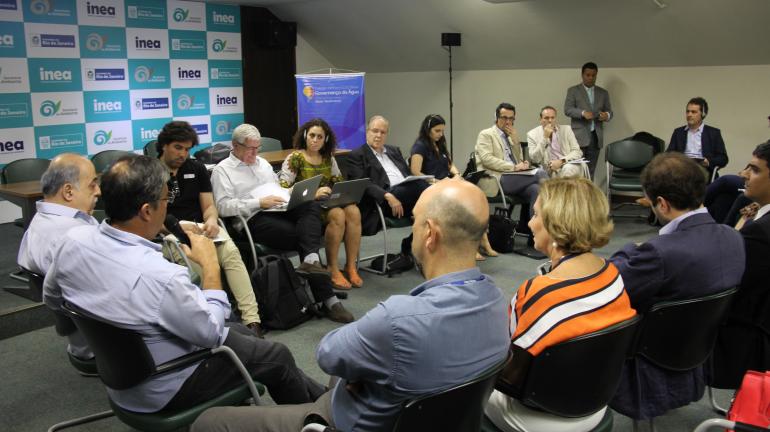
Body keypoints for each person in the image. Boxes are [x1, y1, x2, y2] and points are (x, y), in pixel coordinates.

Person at [192, 178, 510, 432]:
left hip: (351, 421)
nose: (412, 229)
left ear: (429, 234)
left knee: (210, 422)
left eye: (414, 221)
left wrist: (375, 351)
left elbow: (328, 354)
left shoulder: (396, 320)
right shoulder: (500, 303)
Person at [43, 155, 326, 413]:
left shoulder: (72, 242)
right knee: (276, 355)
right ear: (146, 211)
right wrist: (210, 267)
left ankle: (323, 398)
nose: (168, 208)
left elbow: (54, 299)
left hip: (119, 379)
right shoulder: (160, 275)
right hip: (165, 386)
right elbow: (211, 333)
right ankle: (317, 417)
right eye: (166, 201)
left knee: (243, 333)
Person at [484, 177, 636, 432]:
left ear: (555, 226)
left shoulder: (540, 292)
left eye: (534, 215)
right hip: (595, 404)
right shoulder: (611, 274)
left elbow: (508, 376)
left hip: (543, 415)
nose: (530, 223)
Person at [609, 152, 745, 419]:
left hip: (647, 362)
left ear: (661, 204)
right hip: (697, 355)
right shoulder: (734, 238)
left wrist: (629, 248)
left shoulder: (658, 253)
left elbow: (609, 284)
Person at [210, 123, 354, 323]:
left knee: (310, 205)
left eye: (257, 147)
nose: (255, 152)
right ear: (235, 145)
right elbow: (223, 207)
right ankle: (329, 299)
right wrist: (259, 202)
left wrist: (292, 194)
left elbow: (278, 189)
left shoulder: (263, 164)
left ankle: (311, 261)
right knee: (304, 235)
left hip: (278, 209)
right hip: (252, 219)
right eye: (251, 148)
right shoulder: (222, 171)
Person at [156, 121, 264, 337]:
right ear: (164, 146)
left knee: (231, 253)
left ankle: (252, 320)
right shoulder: (149, 171)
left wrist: (212, 220)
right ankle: (217, 320)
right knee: (200, 263)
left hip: (203, 228)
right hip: (170, 233)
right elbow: (150, 217)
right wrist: (179, 229)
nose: (183, 154)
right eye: (178, 147)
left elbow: (208, 206)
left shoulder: (196, 168)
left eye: (187, 149)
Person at [18, 153, 100, 362]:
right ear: (68, 191)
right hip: (112, 348)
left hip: (87, 338)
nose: (98, 191)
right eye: (92, 185)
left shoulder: (41, 222)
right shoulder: (74, 237)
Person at [711, 141, 770, 389]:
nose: (744, 174)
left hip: (743, 344)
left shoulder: (760, 234)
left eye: (754, 170)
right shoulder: (757, 222)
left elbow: (725, 287)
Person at [279, 118, 363, 290]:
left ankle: (350, 266)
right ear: (305, 135)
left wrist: (337, 192)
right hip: (307, 206)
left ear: (325, 139)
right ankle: (332, 268)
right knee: (338, 215)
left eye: (319, 136)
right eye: (312, 135)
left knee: (354, 211)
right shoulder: (295, 158)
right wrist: (313, 193)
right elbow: (283, 189)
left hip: (328, 201)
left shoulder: (328, 158)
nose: (315, 140)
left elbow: (338, 181)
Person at [410, 113, 498, 260]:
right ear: (428, 129)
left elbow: (450, 165)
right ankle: (471, 247)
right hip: (432, 186)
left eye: (442, 131)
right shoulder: (420, 146)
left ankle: (484, 243)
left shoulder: (440, 144)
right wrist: (436, 182)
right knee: (462, 207)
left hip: (447, 183)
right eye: (437, 131)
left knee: (475, 200)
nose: (440, 134)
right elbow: (415, 171)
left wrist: (457, 174)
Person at [347, 115, 430, 255]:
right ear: (367, 132)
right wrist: (387, 195)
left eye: (383, 132)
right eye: (375, 131)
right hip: (383, 201)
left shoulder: (394, 151)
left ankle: (409, 243)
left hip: (407, 196)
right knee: (426, 191)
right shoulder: (357, 155)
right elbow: (363, 183)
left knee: (432, 210)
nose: (378, 135)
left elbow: (407, 174)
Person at [475, 102, 548, 219]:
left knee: (536, 189)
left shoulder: (511, 135)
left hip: (515, 177)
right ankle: (558, 215)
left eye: (511, 118)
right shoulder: (486, 134)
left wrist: (523, 162)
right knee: (541, 173)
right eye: (504, 118)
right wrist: (513, 167)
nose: (508, 122)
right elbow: (487, 159)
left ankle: (534, 232)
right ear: (496, 118)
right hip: (498, 178)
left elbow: (518, 159)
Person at [564, 62, 613, 178]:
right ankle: (576, 195)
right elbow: (567, 109)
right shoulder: (573, 90)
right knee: (575, 170)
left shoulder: (603, 93)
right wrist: (582, 113)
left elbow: (610, 112)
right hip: (578, 137)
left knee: (590, 171)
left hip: (596, 137)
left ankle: (588, 195)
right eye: (588, 75)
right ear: (582, 75)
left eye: (593, 75)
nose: (591, 78)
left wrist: (606, 115)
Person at [666, 97, 728, 180]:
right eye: (687, 111)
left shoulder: (713, 133)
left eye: (693, 112)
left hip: (702, 169)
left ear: (703, 114)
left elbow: (723, 158)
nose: (689, 115)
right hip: (681, 168)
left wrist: (708, 162)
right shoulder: (678, 132)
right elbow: (668, 154)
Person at [526, 106, 588, 178]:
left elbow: (577, 151)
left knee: (568, 168)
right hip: (548, 168)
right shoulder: (532, 134)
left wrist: (561, 161)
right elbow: (535, 159)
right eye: (546, 118)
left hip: (567, 163)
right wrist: (544, 138)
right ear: (540, 119)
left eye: (553, 118)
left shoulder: (566, 130)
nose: (550, 120)